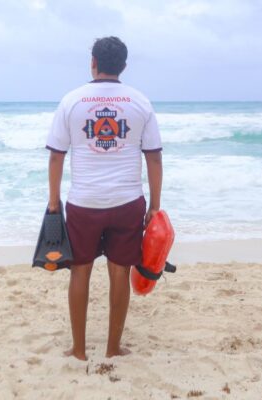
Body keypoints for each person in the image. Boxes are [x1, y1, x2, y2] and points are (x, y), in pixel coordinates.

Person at [46, 37, 163, 360]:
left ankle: (79, 349)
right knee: (119, 272)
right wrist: (154, 206)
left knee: (80, 271)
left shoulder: (72, 100)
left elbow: (56, 157)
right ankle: (113, 348)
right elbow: (154, 158)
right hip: (128, 201)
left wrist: (53, 202)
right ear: (123, 66)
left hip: (84, 202)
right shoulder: (140, 101)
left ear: (93, 63)